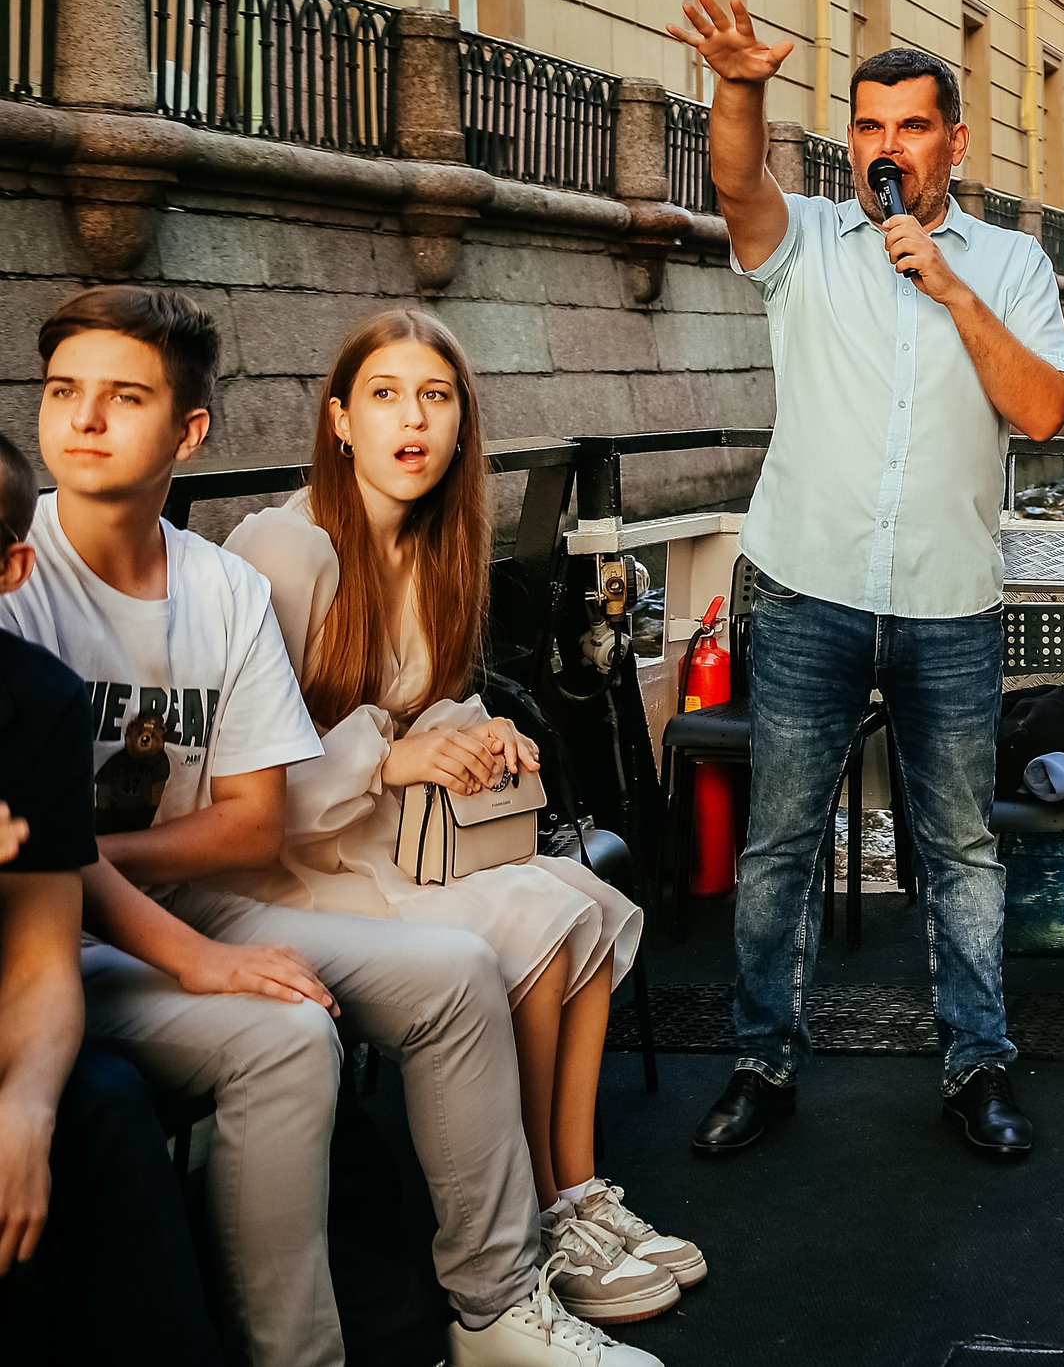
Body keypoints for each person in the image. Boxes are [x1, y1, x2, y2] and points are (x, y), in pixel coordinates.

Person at [1, 287, 656, 1367]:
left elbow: (248, 827)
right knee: (296, 1032)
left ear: (189, 431)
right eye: (64, 392)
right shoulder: (15, 574)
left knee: (453, 973)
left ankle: (492, 1311)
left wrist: (85, 856)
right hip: (67, 936)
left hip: (196, 896)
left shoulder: (218, 588)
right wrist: (134, 910)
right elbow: (56, 870)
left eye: (123, 397)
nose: (82, 420)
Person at [223, 309, 700, 1315]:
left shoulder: (429, 551)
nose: (413, 420)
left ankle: (574, 1196)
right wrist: (398, 759)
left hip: (384, 848)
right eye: (387, 395)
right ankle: (526, 1216)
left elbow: (428, 697)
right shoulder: (285, 546)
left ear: (461, 424)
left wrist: (483, 734)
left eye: (436, 398)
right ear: (340, 420)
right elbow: (249, 771)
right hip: (293, 865)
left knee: (577, 904)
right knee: (525, 924)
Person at [665, 0, 1064, 1159]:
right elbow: (739, 186)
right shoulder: (803, 245)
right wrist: (736, 86)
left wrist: (947, 288)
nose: (885, 147)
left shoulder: (1010, 264)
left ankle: (977, 1067)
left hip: (951, 601)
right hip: (808, 588)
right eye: (866, 127)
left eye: (910, 126)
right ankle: (760, 1061)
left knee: (961, 848)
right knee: (782, 840)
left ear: (954, 141)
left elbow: (1041, 409)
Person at [0, 431, 222, 1363]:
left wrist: (25, 1108)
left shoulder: (33, 700)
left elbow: (41, 963)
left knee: (99, 1106)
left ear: (10, 566)